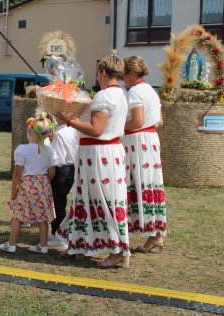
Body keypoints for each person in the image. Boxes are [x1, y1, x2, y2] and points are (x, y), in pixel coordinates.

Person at [56, 55, 130, 268]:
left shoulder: (105, 96)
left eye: (98, 73)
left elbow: (96, 130)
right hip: (107, 152)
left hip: (99, 155)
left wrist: (69, 121)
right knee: (89, 200)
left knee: (103, 201)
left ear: (104, 73)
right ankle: (80, 244)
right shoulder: (120, 94)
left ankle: (118, 250)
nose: (97, 77)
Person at [122, 56, 166, 253]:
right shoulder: (151, 91)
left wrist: (117, 127)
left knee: (137, 184)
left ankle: (149, 232)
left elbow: (137, 121)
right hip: (151, 140)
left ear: (131, 74)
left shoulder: (135, 92)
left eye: (123, 75)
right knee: (150, 184)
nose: (122, 79)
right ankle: (155, 235)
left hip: (137, 141)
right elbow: (160, 121)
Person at [0, 112, 57, 254]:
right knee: (43, 217)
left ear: (30, 132)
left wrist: (13, 190)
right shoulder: (49, 150)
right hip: (43, 185)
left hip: (27, 186)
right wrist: (44, 182)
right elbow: (52, 172)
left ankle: (11, 244)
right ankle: (43, 245)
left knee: (19, 215)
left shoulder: (22, 150)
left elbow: (18, 172)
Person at [47, 115, 79, 248]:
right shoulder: (72, 130)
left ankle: (58, 235)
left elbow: (57, 159)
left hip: (61, 169)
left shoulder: (60, 133)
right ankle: (61, 233)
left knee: (57, 203)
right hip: (70, 168)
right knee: (61, 201)